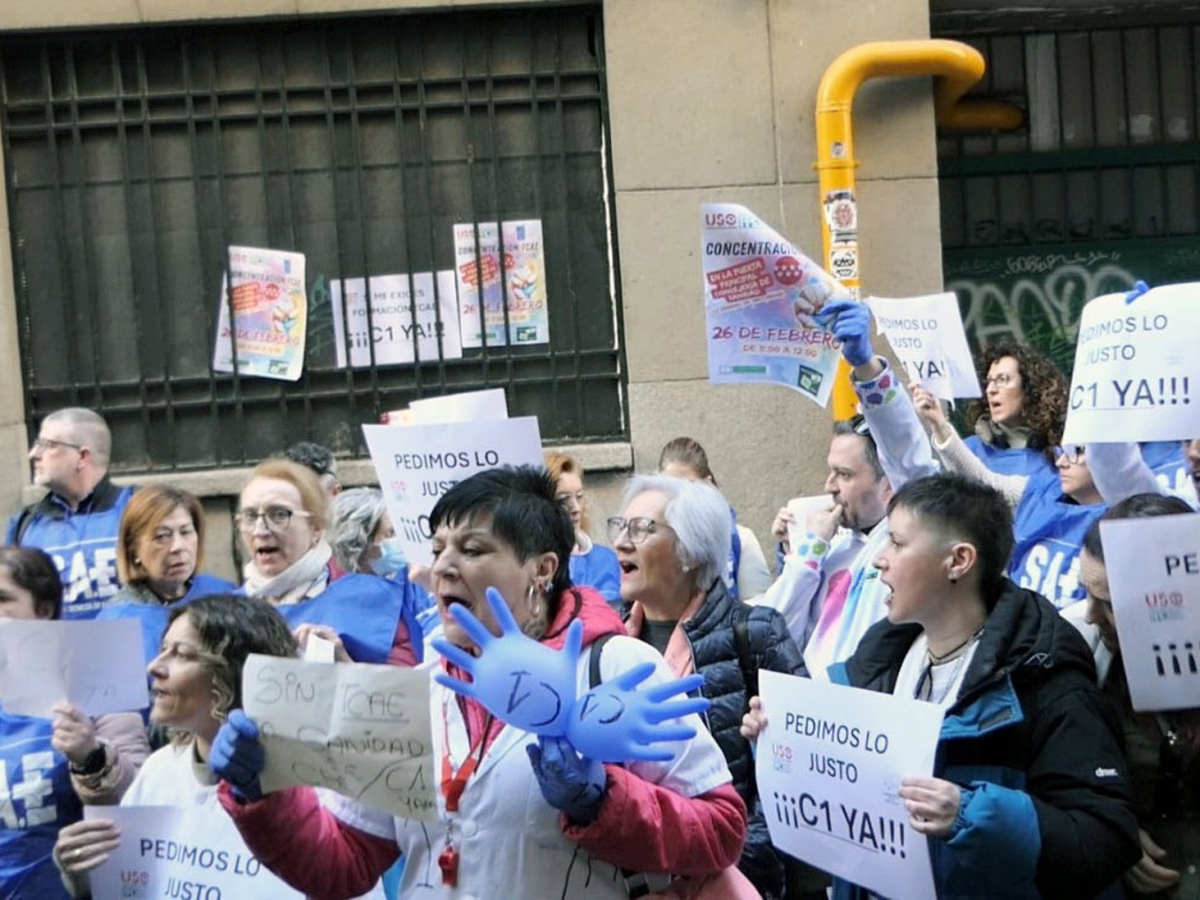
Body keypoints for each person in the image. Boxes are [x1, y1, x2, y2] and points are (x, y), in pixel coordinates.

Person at [209, 466, 747, 899]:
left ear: (542, 569)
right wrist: (263, 797)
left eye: (471, 550)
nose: (443, 568)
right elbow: (343, 865)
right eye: (438, 548)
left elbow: (721, 831)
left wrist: (601, 800)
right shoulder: (413, 693)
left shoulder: (617, 667)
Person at [743, 473, 1142, 897]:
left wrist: (970, 814)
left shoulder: (1045, 678)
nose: (879, 560)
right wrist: (777, 740)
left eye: (897, 543)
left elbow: (1103, 839)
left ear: (958, 561)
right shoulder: (876, 661)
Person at [51, 594, 382, 899]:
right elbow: (132, 887)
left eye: (182, 654)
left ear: (233, 672)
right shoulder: (159, 770)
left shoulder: (320, 784)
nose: (154, 666)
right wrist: (86, 877)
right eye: (163, 649)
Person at [613, 473, 806, 898]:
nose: (622, 543)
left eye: (641, 529)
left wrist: (725, 864)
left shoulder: (756, 632)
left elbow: (799, 776)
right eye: (620, 526)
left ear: (690, 551)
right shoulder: (607, 640)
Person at [753, 299, 937, 678]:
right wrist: (805, 557)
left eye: (845, 474)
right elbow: (770, 632)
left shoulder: (905, 540)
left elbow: (907, 451)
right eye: (830, 472)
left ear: (888, 481)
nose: (829, 486)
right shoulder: (828, 548)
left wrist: (866, 366)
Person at [0, 547, 149, 900]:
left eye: (2, 599)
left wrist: (91, 756)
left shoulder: (97, 686)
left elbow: (141, 801)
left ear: (44, 611)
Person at [1078, 493, 1200, 897]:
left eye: (1109, 604)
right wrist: (1110, 825)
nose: (1091, 615)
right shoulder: (1078, 647)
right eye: (1085, 593)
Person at [912, 384, 1116, 609]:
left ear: (1109, 455)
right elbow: (983, 482)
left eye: (1076, 451)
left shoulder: (1124, 518)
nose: (1061, 461)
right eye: (1061, 450)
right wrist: (940, 426)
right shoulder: (1039, 490)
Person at [237, 460, 416, 665]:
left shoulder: (374, 599)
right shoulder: (225, 613)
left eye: (279, 515)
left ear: (316, 528)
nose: (260, 530)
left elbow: (408, 683)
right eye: (250, 516)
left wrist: (345, 665)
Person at [5, 409, 134, 618]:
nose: (33, 454)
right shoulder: (25, 523)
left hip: (133, 639)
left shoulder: (138, 510)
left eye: (48, 445)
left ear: (82, 456)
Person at [92, 486, 235, 665]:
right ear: (133, 549)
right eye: (162, 536)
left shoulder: (224, 594)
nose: (178, 546)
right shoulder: (116, 622)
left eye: (186, 532)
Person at [325, 486, 433, 665]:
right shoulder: (333, 599)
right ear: (360, 543)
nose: (399, 541)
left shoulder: (413, 580)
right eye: (390, 533)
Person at [659, 437, 772, 602]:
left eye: (688, 486)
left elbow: (758, 607)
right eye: (668, 486)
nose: (679, 496)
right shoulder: (651, 544)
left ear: (708, 485)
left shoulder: (740, 540)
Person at [960, 342, 1067, 477]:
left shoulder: (1066, 452)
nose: (990, 390)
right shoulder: (967, 452)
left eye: (1002, 379)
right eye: (989, 382)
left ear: (1029, 387)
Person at [544, 451, 621, 607]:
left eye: (579, 496)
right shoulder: (538, 569)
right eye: (564, 500)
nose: (576, 508)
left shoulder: (608, 561)